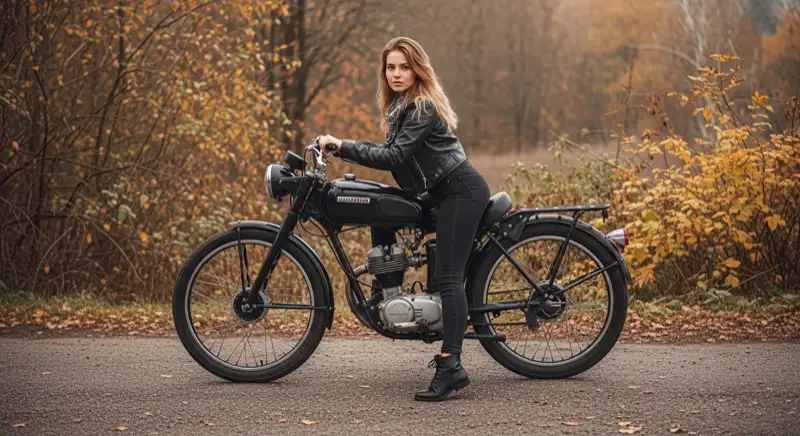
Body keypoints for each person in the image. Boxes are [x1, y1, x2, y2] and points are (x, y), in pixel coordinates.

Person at [315, 36, 490, 401]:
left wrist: (342, 146)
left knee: (448, 276)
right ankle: (385, 291)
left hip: (460, 191)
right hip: (438, 192)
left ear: (417, 70)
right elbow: (397, 157)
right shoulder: (400, 107)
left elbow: (394, 157)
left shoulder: (421, 106)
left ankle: (451, 365)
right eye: (390, 67)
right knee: (381, 211)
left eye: (404, 67)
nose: (396, 73)